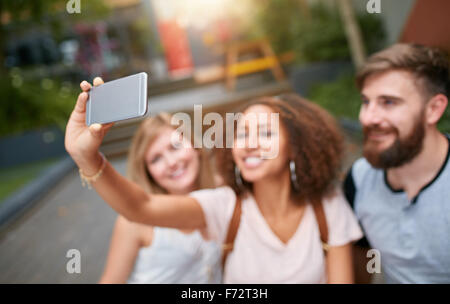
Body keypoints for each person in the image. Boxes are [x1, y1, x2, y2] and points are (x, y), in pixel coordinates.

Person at [65, 79, 363, 283]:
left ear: (295, 147)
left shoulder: (328, 205)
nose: (249, 144)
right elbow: (141, 206)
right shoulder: (223, 205)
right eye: (242, 134)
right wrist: (89, 158)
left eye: (266, 133)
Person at [343, 43, 450, 283]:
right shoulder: (358, 180)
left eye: (388, 102)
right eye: (366, 101)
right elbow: (361, 269)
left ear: (433, 109)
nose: (368, 118)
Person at [99, 113, 222, 283]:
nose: (171, 162)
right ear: (148, 172)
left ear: (194, 146)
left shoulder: (221, 193)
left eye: (175, 147)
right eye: (156, 159)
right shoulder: (134, 221)